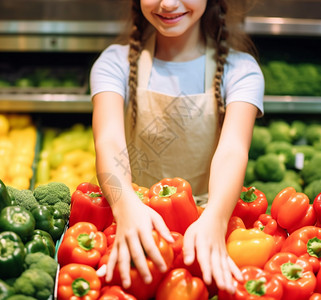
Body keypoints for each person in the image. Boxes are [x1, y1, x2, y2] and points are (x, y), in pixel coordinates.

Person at [89, 0, 264, 294]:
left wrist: (217, 219)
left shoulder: (241, 70)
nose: (168, 3)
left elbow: (233, 150)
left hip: (208, 221)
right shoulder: (114, 62)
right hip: (132, 219)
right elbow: (108, 140)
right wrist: (125, 205)